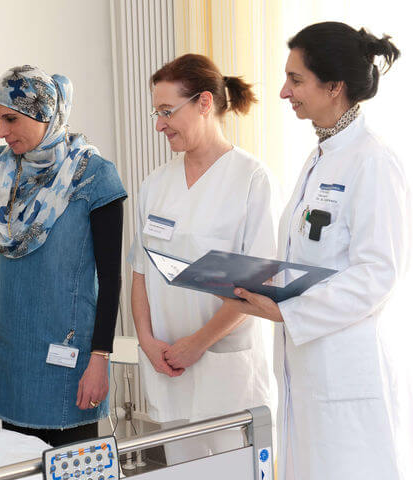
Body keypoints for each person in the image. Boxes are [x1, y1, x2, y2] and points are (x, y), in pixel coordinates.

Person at [221, 22, 409, 479]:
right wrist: (262, 281)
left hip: (344, 374)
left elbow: (377, 275)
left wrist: (288, 311)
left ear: (334, 87)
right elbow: (313, 259)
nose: (284, 92)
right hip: (307, 372)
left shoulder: (373, 161)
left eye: (296, 80)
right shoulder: (321, 157)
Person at [0, 65, 126, 446]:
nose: (1, 131)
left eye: (10, 118)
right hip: (11, 351)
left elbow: (111, 277)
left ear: (44, 114)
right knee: (20, 464)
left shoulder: (93, 176)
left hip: (69, 356)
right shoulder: (0, 171)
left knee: (73, 466)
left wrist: (100, 357)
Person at [127, 53, 277, 464]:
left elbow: (259, 282)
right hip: (170, 367)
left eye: (167, 111)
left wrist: (198, 343)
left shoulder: (251, 179)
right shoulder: (155, 184)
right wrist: (146, 341)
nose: (159, 125)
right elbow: (141, 272)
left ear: (205, 103)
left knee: (238, 469)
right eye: (156, 113)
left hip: (226, 370)